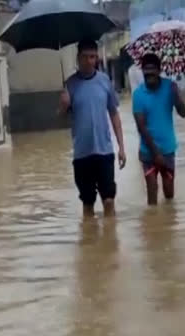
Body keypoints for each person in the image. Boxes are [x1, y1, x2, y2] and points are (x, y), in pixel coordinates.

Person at [59, 39, 126, 217]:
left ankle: (110, 242)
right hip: (82, 154)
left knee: (109, 200)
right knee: (88, 205)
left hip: (104, 151)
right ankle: (89, 242)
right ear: (78, 58)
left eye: (94, 57)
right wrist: (64, 106)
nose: (91, 61)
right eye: (87, 57)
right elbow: (62, 122)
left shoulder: (105, 81)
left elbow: (114, 114)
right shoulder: (70, 84)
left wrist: (121, 147)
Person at [132, 53, 185, 206]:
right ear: (142, 71)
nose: (149, 73)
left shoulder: (170, 87)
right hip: (148, 152)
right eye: (145, 70)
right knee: (152, 197)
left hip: (168, 150)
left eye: (152, 69)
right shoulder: (138, 95)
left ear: (159, 70)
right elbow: (141, 126)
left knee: (169, 197)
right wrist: (156, 153)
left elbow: (183, 113)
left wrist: (178, 96)